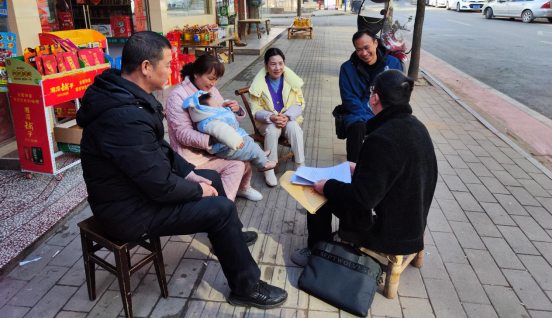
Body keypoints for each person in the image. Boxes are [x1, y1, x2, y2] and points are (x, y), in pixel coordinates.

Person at [77, 31, 287, 309]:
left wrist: (190, 173)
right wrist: (197, 190)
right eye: (167, 64)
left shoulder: (126, 96)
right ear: (146, 68)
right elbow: (159, 184)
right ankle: (245, 287)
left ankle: (229, 234)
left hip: (136, 190)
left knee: (211, 177)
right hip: (126, 211)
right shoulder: (123, 116)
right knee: (220, 209)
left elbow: (158, 149)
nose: (172, 70)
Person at [291, 70, 438, 266]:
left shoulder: (381, 139)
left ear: (375, 98)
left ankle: (317, 253)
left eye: (371, 91)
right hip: (414, 220)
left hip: (391, 233)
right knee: (336, 185)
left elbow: (363, 199)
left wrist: (326, 186)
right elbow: (395, 171)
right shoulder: (416, 126)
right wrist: (360, 169)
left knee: (317, 193)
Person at [166, 55, 262, 202]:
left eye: (216, 79)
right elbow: (183, 134)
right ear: (196, 74)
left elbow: (223, 119)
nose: (213, 83)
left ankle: (242, 189)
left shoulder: (211, 90)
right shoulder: (177, 95)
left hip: (215, 147)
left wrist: (235, 111)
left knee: (246, 156)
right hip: (192, 156)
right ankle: (222, 204)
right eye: (210, 78)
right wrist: (212, 139)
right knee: (237, 165)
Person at [339, 29, 402, 163]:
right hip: (357, 113)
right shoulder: (346, 68)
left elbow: (398, 94)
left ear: (375, 43)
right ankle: (352, 169)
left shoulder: (393, 64)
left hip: (384, 112)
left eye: (367, 47)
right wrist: (370, 119)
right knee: (356, 127)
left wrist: (383, 116)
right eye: (359, 49)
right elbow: (348, 99)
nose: (364, 53)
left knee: (400, 127)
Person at [249, 48, 306, 186]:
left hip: (287, 120)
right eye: (273, 64)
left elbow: (299, 103)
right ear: (266, 65)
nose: (277, 68)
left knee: (294, 126)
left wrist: (286, 116)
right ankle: (269, 168)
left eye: (281, 63)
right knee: (273, 129)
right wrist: (272, 117)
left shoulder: (291, 81)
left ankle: (301, 166)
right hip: (266, 123)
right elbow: (256, 111)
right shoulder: (258, 85)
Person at [183, 90, 277, 171]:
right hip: (227, 147)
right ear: (207, 110)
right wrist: (235, 141)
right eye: (217, 105)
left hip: (237, 138)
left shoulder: (212, 113)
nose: (219, 106)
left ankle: (259, 154)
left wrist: (226, 104)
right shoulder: (211, 122)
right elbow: (224, 132)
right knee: (252, 149)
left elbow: (222, 109)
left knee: (250, 142)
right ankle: (263, 165)